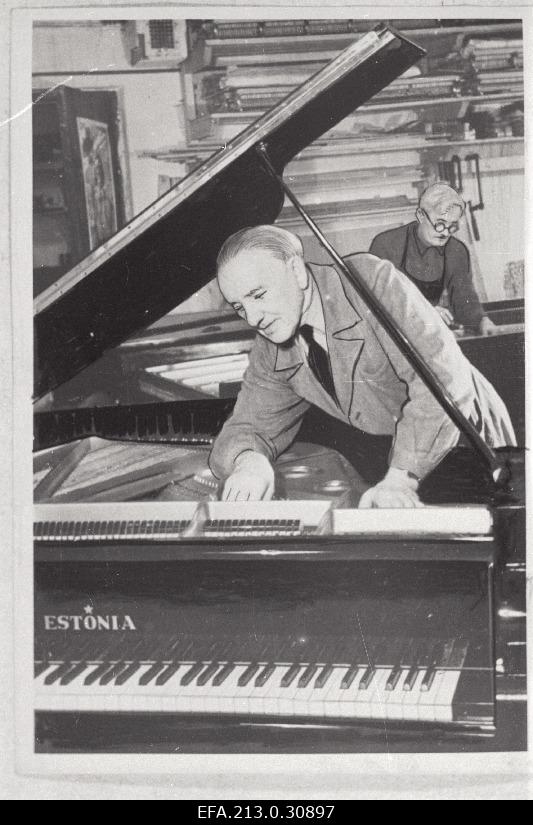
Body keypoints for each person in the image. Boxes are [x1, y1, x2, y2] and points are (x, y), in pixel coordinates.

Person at [209, 225, 515, 507]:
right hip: (401, 454)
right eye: (239, 307)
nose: (253, 318)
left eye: (259, 295)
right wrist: (249, 460)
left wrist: (399, 478)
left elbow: (444, 382)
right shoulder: (272, 341)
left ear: (296, 272)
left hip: (469, 443)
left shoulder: (369, 283)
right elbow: (249, 424)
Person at [369, 183, 497, 335]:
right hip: (392, 334)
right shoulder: (387, 244)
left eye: (453, 226)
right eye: (440, 224)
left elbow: (463, 297)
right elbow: (382, 300)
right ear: (421, 215)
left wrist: (482, 320)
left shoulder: (456, 250)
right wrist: (425, 311)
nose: (445, 233)